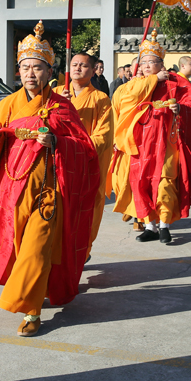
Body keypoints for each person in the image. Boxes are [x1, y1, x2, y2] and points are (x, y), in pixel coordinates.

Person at [0, 21, 99, 337]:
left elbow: (86, 147)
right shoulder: (7, 105)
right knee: (17, 245)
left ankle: (31, 310)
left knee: (37, 247)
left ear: (48, 69)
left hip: (49, 189)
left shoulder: (61, 106)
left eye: (37, 67)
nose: (30, 73)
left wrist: (58, 142)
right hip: (14, 186)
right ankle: (35, 289)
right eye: (25, 67)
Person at [113, 31, 191, 244]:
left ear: (162, 63)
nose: (146, 65)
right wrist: (148, 81)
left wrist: (179, 107)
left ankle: (164, 224)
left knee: (165, 181)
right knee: (140, 182)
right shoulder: (134, 85)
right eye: (143, 62)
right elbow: (121, 104)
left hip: (167, 141)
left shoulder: (175, 82)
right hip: (139, 142)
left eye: (152, 62)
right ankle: (150, 226)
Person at [55, 52, 113, 259]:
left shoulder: (101, 99)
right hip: (58, 162)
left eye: (84, 65)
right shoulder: (54, 93)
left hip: (86, 163)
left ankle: (83, 248)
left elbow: (104, 135)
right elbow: (38, 122)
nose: (78, 68)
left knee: (86, 209)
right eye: (74, 64)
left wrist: (79, 149)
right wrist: (56, 105)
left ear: (94, 69)